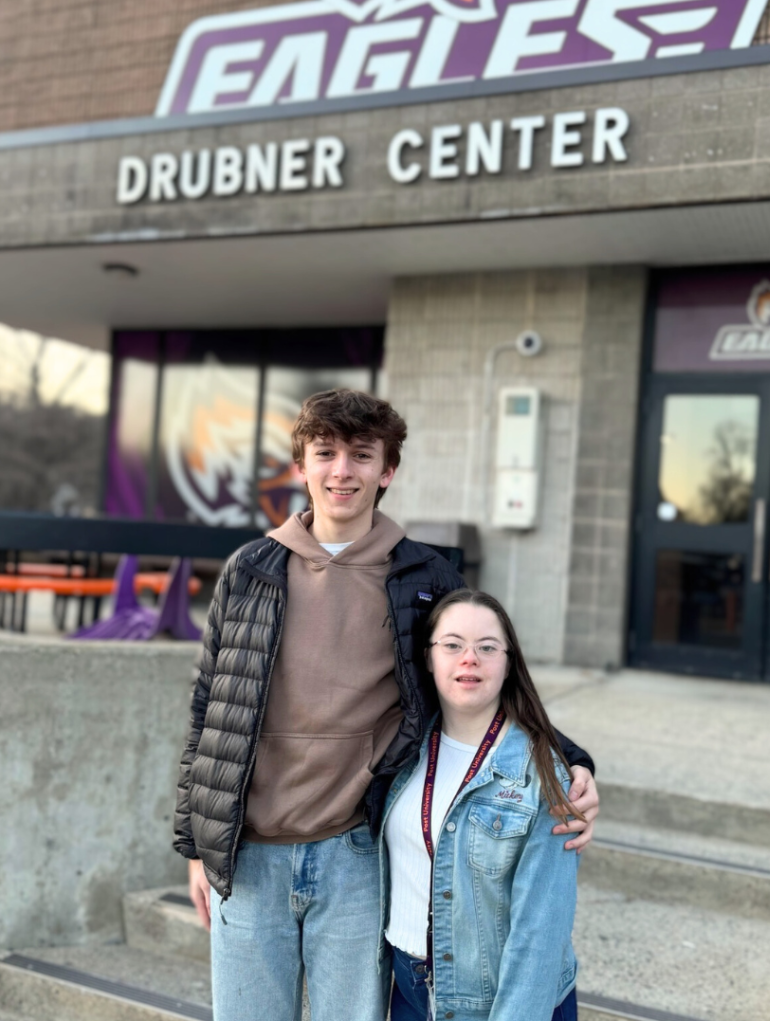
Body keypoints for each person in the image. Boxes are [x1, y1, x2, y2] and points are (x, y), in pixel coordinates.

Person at [174, 388, 599, 1021]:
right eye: (325, 453)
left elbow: (481, 679)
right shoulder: (250, 569)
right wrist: (195, 844)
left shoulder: (425, 577)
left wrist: (570, 761)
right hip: (248, 853)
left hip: (357, 854)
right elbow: (211, 704)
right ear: (301, 466)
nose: (342, 471)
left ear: (387, 471)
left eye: (361, 455)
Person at [381, 588, 582, 1021]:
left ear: (509, 664)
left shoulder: (541, 775)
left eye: (487, 648)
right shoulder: (401, 752)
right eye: (452, 645)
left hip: (500, 1000)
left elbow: (540, 936)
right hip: (409, 992)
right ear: (429, 657)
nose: (469, 658)